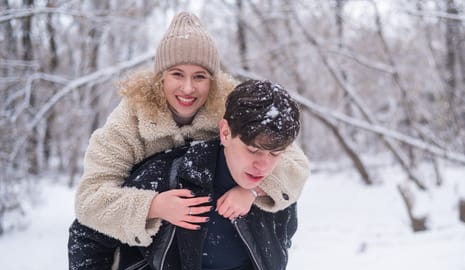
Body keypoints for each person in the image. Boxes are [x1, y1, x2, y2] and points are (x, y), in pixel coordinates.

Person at [69, 79, 305, 270]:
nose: (263, 165)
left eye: (275, 154)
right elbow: (87, 233)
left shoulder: (275, 197)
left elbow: (277, 255)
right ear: (225, 133)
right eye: (252, 150)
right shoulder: (169, 177)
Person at [74, 12, 309, 249]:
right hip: (142, 258)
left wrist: (253, 190)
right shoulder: (130, 119)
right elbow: (90, 199)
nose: (188, 88)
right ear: (161, 78)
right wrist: (154, 206)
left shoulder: (233, 108)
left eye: (200, 76)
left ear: (213, 80)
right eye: (177, 74)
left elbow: (294, 163)